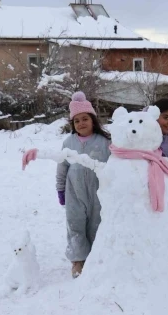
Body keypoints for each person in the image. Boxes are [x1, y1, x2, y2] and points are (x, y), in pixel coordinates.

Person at [22, 91, 111, 279]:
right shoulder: (69, 142)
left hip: (99, 193)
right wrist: (60, 189)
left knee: (97, 224)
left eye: (85, 118)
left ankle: (96, 258)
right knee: (75, 225)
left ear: (93, 120)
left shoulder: (105, 142)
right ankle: (78, 261)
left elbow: (114, 167)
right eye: (76, 121)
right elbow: (62, 166)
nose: (81, 123)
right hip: (74, 192)